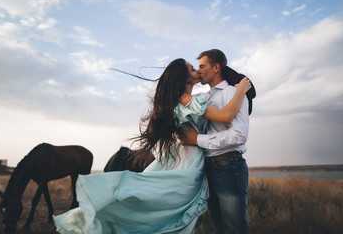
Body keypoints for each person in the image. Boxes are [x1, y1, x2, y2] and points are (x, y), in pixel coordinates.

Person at [53, 58, 251, 234]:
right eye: (192, 69)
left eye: (198, 67)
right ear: (184, 77)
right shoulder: (188, 101)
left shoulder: (184, 101)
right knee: (169, 217)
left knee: (166, 215)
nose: (197, 71)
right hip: (189, 164)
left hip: (189, 159)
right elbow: (225, 116)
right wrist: (241, 90)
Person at [180, 49, 253, 234]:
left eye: (202, 66)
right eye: (197, 67)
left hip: (229, 165)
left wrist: (198, 139)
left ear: (216, 67)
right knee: (219, 228)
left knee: (234, 229)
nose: (199, 70)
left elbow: (239, 135)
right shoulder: (206, 98)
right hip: (209, 168)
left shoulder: (232, 93)